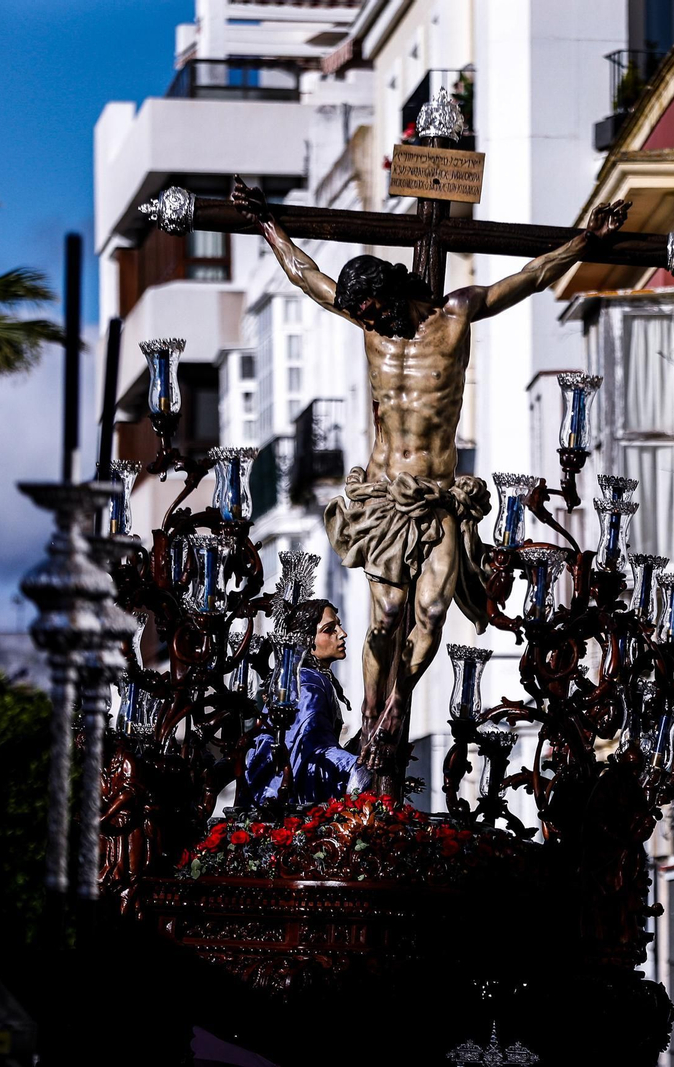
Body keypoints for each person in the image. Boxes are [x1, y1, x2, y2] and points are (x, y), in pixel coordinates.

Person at [231, 175, 629, 794]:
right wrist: (265, 223)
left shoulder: (455, 316)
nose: (368, 321)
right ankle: (372, 716)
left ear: (391, 292)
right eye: (358, 314)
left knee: (433, 615)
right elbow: (305, 274)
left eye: (372, 310)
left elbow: (529, 277)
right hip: (387, 498)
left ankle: (393, 710)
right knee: (386, 616)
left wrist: (584, 241)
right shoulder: (369, 327)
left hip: (440, 497)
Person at [244, 599, 358, 806]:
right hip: (295, 799)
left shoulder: (314, 679)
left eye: (338, 626)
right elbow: (311, 750)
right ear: (307, 640)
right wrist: (358, 768)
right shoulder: (308, 684)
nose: (342, 633)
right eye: (329, 629)